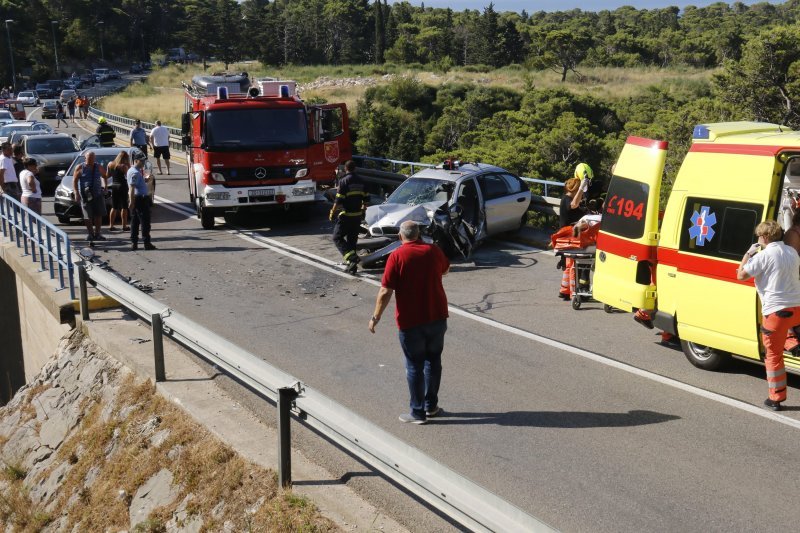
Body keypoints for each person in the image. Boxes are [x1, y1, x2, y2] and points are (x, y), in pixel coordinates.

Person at [369, 220, 450, 425]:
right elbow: (445, 270)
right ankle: (431, 406)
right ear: (419, 234)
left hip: (411, 321)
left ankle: (417, 412)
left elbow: (386, 290)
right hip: (437, 317)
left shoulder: (396, 256)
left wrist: (375, 317)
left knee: (414, 365)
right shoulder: (433, 250)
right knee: (434, 361)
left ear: (400, 236)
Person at [737, 220, 800, 411]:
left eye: (759, 236)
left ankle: (776, 398)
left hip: (776, 312)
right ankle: (793, 343)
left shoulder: (764, 255)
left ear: (764, 237)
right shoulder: (792, 252)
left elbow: (741, 275)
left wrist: (748, 254)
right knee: (784, 334)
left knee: (773, 355)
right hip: (796, 309)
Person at [329, 160, 368, 274]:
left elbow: (338, 200)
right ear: (355, 168)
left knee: (337, 238)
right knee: (352, 241)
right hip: (357, 216)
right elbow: (366, 200)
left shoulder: (343, 181)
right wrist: (362, 211)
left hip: (346, 216)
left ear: (346, 169)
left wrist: (332, 212)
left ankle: (352, 258)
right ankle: (352, 267)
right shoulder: (362, 181)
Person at [72, 150, 108, 243]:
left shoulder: (98, 166)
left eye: (92, 158)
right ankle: (90, 234)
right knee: (87, 216)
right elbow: (75, 181)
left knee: (98, 214)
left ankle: (98, 233)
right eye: (89, 159)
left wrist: (105, 187)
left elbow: (104, 176)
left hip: (97, 194)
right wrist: (76, 192)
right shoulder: (80, 167)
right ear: (85, 158)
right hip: (86, 195)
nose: (91, 160)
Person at [127, 154, 156, 251]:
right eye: (141, 161)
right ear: (136, 161)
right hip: (140, 199)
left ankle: (134, 243)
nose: (143, 163)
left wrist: (144, 181)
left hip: (138, 198)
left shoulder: (134, 171)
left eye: (144, 161)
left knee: (135, 221)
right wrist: (132, 201)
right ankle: (146, 243)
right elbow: (132, 187)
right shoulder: (135, 172)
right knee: (145, 222)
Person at [558, 163, 592, 229]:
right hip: (567, 231)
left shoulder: (571, 198)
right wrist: (581, 188)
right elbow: (574, 205)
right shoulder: (566, 198)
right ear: (576, 190)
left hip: (575, 229)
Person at [107, 151, 131, 232]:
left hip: (114, 186)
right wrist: (129, 164)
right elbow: (129, 175)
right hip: (122, 186)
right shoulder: (124, 166)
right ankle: (124, 226)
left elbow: (107, 175)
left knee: (114, 206)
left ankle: (111, 225)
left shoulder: (111, 164)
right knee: (124, 206)